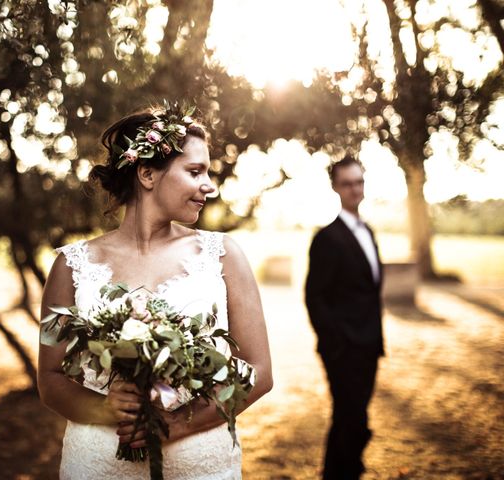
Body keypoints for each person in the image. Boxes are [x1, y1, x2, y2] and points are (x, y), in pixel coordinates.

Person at [38, 103, 273, 479]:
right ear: (147, 173)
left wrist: (177, 423)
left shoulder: (224, 256)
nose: (208, 185)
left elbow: (258, 372)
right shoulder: (70, 266)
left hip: (201, 466)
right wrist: (108, 409)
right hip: (98, 466)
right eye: (195, 171)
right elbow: (50, 381)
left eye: (207, 173)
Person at [305, 156, 384, 480]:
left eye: (359, 182)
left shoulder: (368, 231)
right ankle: (344, 471)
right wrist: (337, 343)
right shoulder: (327, 238)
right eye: (348, 183)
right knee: (352, 420)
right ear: (336, 188)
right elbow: (314, 297)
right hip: (344, 350)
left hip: (370, 346)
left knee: (350, 418)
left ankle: (343, 471)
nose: (355, 189)